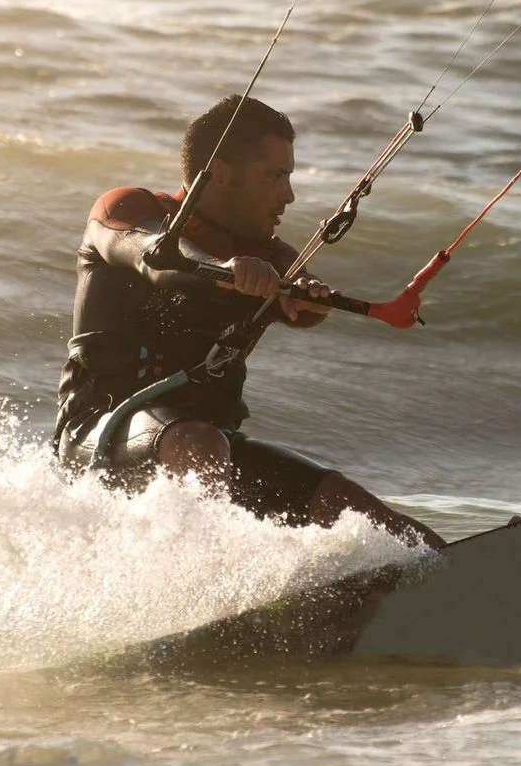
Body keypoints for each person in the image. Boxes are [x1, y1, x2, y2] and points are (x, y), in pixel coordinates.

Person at [54, 94, 444, 550]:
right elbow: (158, 258)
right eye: (275, 176)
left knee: (364, 517)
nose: (289, 195)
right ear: (218, 173)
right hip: (99, 437)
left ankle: (460, 575)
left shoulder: (273, 255)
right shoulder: (124, 210)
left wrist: (308, 298)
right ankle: (210, 587)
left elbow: (307, 307)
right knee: (199, 444)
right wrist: (227, 271)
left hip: (208, 453)